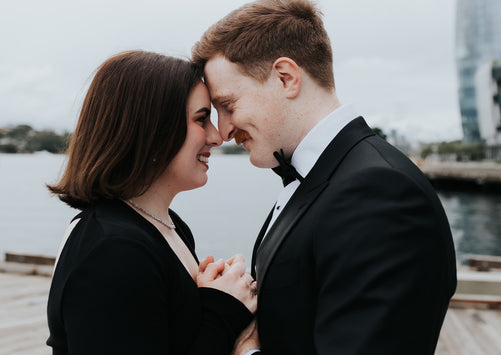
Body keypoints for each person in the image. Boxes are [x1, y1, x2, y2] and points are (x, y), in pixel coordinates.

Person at [192, 0, 457, 354]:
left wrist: (245, 351)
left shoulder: (379, 194)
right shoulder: (330, 175)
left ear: (286, 77)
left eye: (228, 106)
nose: (223, 131)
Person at [46, 50, 257, 354]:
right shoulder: (112, 250)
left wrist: (211, 295)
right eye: (201, 119)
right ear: (153, 129)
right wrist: (224, 310)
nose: (217, 136)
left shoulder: (167, 226)